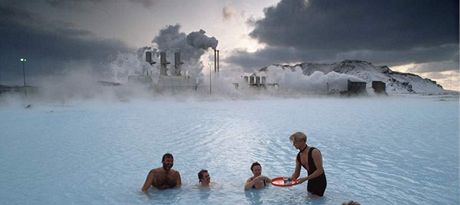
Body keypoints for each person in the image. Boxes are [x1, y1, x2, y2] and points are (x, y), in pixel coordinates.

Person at [289, 131, 327, 197]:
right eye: (293, 142)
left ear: (302, 141)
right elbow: (296, 174)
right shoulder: (298, 156)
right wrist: (287, 182)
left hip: (320, 181)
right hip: (310, 181)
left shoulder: (314, 152)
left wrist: (305, 179)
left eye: (295, 142)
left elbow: (320, 170)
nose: (293, 144)